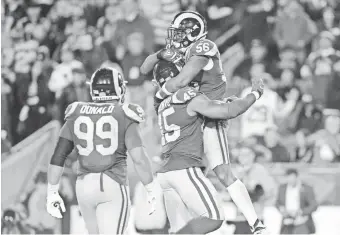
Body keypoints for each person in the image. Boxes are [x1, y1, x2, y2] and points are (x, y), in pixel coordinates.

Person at [141, 11, 268, 234]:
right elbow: (145, 68)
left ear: (193, 33)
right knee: (193, 174)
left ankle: (254, 222)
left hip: (209, 116)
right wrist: (162, 53)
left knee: (222, 172)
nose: (176, 37)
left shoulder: (203, 47)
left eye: (180, 33)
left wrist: (162, 92)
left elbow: (181, 80)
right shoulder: (183, 56)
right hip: (196, 115)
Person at [153, 60, 264, 234]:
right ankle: (256, 223)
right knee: (214, 217)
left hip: (165, 173)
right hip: (184, 169)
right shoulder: (188, 95)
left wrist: (220, 104)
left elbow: (190, 117)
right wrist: (255, 94)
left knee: (179, 229)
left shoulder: (161, 103)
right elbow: (229, 111)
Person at [46, 67, 157, 234]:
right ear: (119, 89)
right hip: (112, 184)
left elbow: (58, 156)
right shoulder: (124, 114)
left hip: (84, 187)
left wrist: (52, 191)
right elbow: (139, 158)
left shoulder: (76, 112)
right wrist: (151, 188)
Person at [276, 169, 318, 234]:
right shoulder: (282, 188)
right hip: (287, 222)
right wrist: (281, 209)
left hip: (302, 222)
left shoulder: (306, 188)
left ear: (297, 177)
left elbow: (314, 205)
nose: (290, 180)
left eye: (292, 178)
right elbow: (277, 202)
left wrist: (302, 211)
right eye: (288, 178)